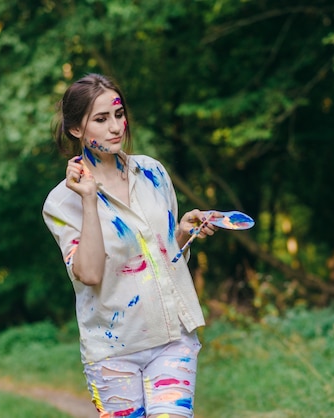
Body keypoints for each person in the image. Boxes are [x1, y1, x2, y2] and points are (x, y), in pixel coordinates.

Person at [42, 73, 219, 418]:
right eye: (101, 119)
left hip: (173, 339)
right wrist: (90, 199)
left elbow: (162, 257)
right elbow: (89, 273)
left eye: (119, 115)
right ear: (77, 129)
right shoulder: (62, 203)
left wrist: (181, 233)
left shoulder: (152, 173)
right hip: (112, 352)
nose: (115, 127)